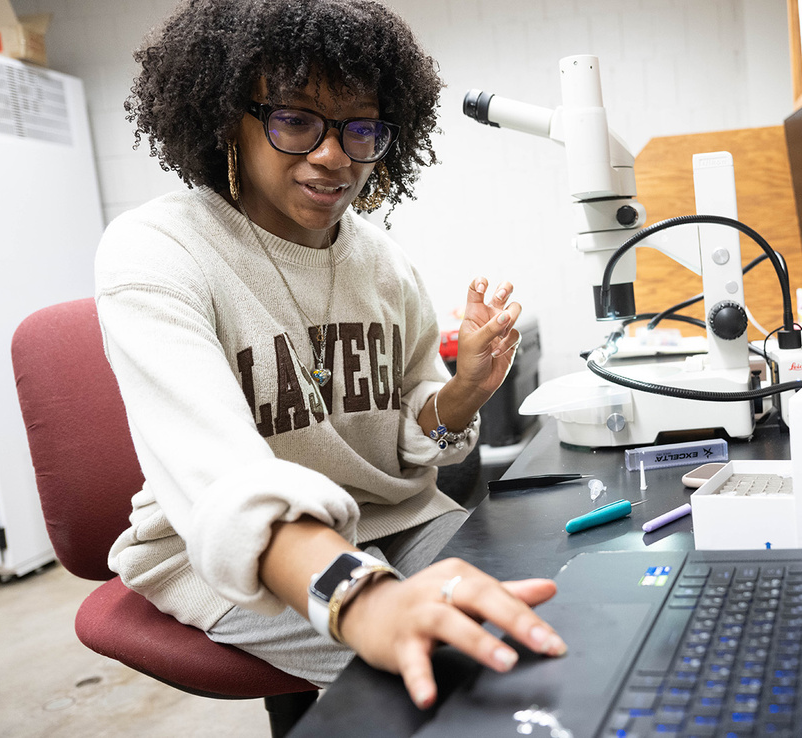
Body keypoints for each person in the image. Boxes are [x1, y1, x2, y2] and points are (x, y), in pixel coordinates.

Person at [95, 0, 564, 706]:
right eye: (295, 119)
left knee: (530, 630)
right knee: (451, 675)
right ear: (228, 117)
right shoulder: (158, 253)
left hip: (396, 516)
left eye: (360, 128)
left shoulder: (381, 260)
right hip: (227, 550)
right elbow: (225, 485)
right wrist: (364, 597)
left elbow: (408, 429)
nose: (333, 155)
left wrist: (463, 390)